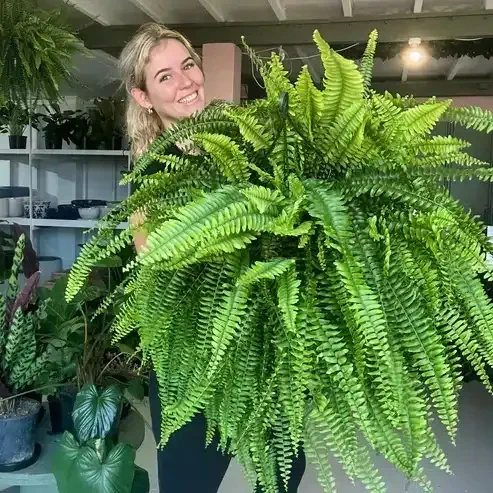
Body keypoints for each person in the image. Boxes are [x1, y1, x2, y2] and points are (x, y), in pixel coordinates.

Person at [119, 23, 306, 492]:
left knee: (284, 470)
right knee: (189, 482)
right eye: (164, 77)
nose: (185, 82)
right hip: (190, 357)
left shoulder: (243, 142)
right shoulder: (151, 177)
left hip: (261, 349)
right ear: (143, 97)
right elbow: (155, 257)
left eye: (188, 65)